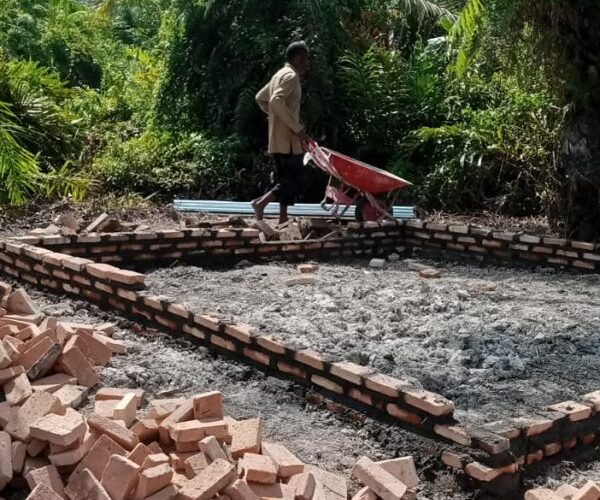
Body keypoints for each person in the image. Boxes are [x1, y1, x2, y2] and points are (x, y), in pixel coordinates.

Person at [252, 41, 310, 224]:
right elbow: (276, 101)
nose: (307, 63)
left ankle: (283, 217)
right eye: (304, 59)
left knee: (285, 179)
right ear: (297, 58)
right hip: (289, 141)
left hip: (278, 139)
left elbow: (261, 98)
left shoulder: (279, 74)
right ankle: (261, 203)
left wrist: (274, 117)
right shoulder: (291, 76)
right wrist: (297, 127)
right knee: (295, 180)